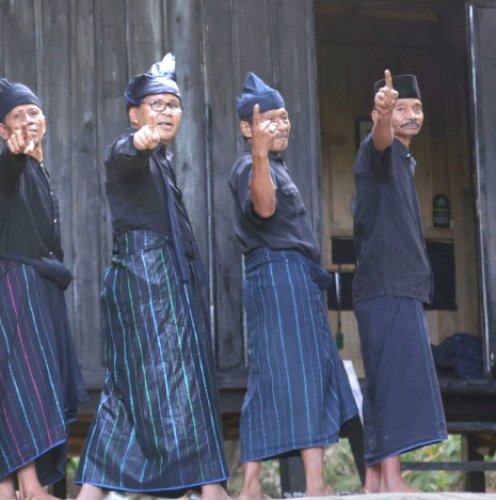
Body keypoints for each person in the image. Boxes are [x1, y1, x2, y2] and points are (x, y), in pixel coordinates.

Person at [75, 54, 229, 500]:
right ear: (134, 114)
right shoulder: (129, 151)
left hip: (156, 278)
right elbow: (125, 156)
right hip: (146, 279)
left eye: (173, 105)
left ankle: (91, 493)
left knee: (127, 389)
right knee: (179, 378)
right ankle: (210, 487)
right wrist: (139, 142)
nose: (166, 112)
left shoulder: (162, 160)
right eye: (156, 104)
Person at [227, 72, 358, 500]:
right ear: (247, 128)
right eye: (270, 120)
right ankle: (314, 485)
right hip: (279, 275)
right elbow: (264, 209)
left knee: (275, 376)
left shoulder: (276, 167)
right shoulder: (250, 166)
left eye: (284, 118)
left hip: (290, 277)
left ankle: (251, 486)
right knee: (302, 375)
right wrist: (260, 155)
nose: (281, 125)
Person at [0, 78, 88, 500]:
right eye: (17, 116)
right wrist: (14, 153)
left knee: (43, 382)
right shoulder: (9, 169)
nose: (27, 121)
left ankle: (16, 485)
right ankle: (28, 485)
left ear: (44, 119)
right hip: (20, 285)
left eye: (33, 112)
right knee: (24, 379)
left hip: (42, 288)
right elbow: (6, 173)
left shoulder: (39, 169)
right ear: (2, 130)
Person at [352, 70, 447, 493]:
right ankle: (393, 479)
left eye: (417, 108)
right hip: (386, 283)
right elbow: (380, 140)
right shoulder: (379, 151)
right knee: (393, 380)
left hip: (395, 286)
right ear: (383, 113)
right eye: (400, 108)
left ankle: (375, 479)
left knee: (385, 380)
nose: (411, 115)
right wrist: (382, 118)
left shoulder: (405, 162)